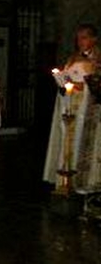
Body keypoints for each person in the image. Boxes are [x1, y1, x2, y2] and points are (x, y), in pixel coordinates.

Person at [44, 24, 101, 193]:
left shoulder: (98, 60)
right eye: (78, 38)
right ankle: (64, 180)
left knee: (82, 141)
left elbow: (95, 85)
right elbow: (67, 76)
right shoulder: (72, 58)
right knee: (67, 139)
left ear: (93, 39)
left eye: (84, 37)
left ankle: (83, 180)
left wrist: (79, 85)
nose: (80, 41)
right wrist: (61, 80)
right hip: (68, 105)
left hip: (87, 108)